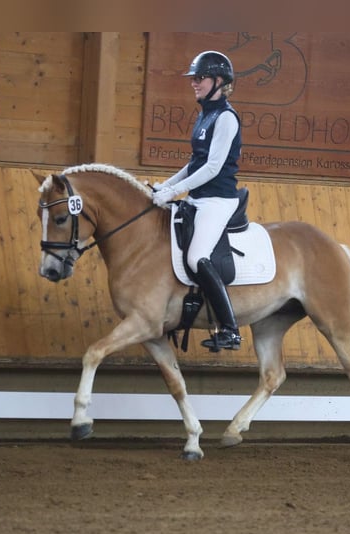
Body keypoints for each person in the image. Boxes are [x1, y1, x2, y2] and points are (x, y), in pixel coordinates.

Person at [152, 50, 243, 351]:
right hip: (198, 197)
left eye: (200, 78)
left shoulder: (227, 118)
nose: (194, 83)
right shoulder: (205, 115)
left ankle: (230, 329)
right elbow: (194, 163)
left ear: (219, 81)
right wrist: (165, 186)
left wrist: (174, 193)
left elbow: (213, 167)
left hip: (218, 200)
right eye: (193, 78)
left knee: (196, 257)